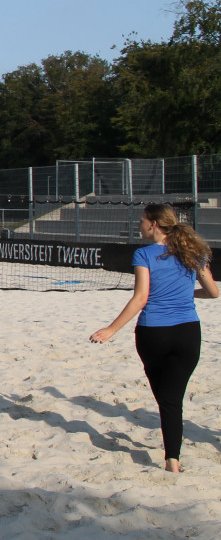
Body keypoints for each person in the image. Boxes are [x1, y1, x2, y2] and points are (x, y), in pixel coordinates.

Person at [90, 203, 218, 473]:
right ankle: (173, 458)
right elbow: (214, 292)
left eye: (142, 221)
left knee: (167, 399)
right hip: (188, 334)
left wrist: (111, 329)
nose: (139, 225)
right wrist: (186, 295)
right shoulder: (193, 252)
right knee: (171, 399)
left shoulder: (144, 254)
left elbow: (141, 298)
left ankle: (172, 457)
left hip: (154, 334)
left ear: (155, 225)